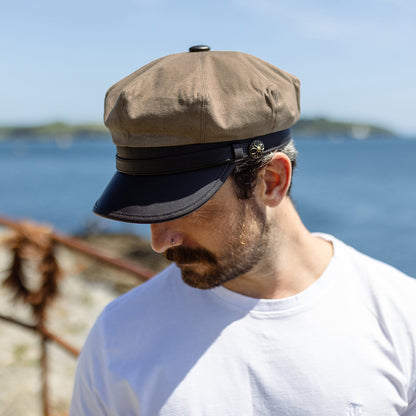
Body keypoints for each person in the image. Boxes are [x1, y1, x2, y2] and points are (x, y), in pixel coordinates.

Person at [70, 46, 416, 415]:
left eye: (181, 207)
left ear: (272, 180)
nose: (158, 243)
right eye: (148, 209)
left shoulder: (403, 317)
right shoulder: (117, 336)